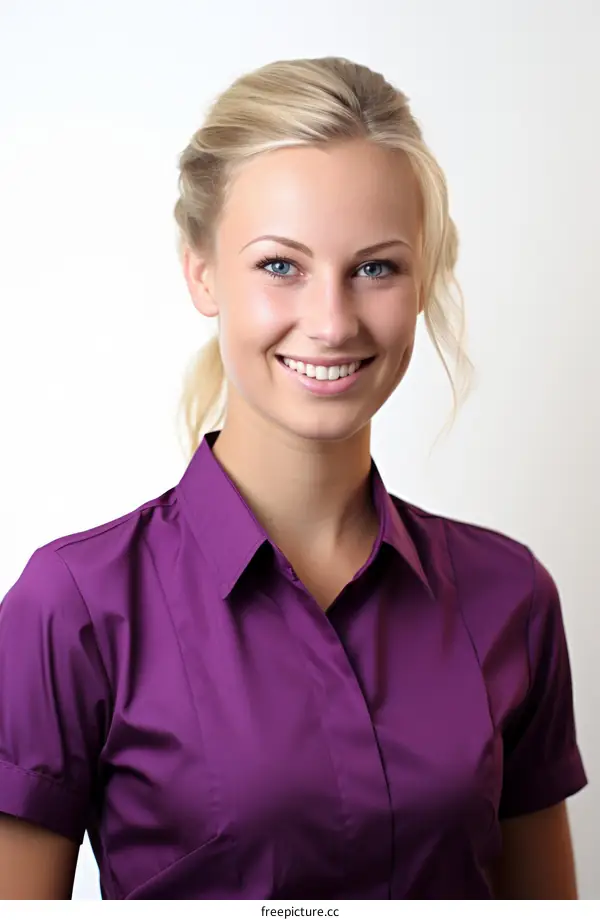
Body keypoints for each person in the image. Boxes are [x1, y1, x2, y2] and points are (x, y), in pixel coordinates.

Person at [0, 56, 588, 900]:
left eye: (376, 267)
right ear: (202, 272)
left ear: (422, 279)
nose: (332, 321)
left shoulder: (512, 598)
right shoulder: (73, 607)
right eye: (281, 265)